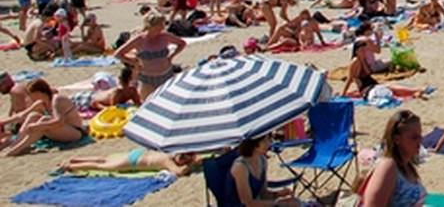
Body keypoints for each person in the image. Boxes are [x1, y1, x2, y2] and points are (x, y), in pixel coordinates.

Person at [0, 78, 87, 156]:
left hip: (75, 132)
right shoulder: (41, 102)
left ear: (38, 92)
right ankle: (14, 145)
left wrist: (37, 125)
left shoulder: (57, 100)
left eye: (32, 94)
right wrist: (4, 122)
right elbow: (22, 115)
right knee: (33, 116)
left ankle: (16, 150)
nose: (31, 97)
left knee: (44, 120)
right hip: (60, 131)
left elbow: (59, 121)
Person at [114, 11, 187, 100]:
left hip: (166, 75)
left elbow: (182, 43)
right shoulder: (140, 39)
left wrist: (171, 56)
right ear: (152, 26)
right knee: (147, 104)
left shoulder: (164, 36)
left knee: (168, 102)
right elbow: (118, 54)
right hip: (147, 78)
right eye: (160, 24)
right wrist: (134, 63)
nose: (163, 27)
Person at [361, 110, 426, 207]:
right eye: (414, 137)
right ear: (397, 139)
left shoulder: (407, 167)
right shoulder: (388, 166)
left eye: (420, 135)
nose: (420, 140)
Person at [229, 135, 300, 207]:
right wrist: (278, 203)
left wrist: (279, 194)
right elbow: (248, 202)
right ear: (253, 143)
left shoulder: (262, 160)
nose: (268, 143)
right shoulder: (241, 166)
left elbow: (263, 194)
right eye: (264, 141)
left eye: (268, 140)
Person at [62, 149, 199, 176]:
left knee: (104, 159)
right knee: (103, 166)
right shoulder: (167, 160)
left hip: (138, 153)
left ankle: (76, 160)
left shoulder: (169, 152)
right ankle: (71, 166)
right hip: (134, 161)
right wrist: (191, 164)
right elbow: (178, 172)